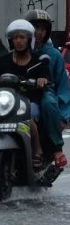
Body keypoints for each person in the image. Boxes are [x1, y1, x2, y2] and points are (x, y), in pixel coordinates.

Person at [0, 20, 50, 170]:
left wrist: (42, 80)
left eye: (22, 37)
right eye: (15, 38)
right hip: (7, 101)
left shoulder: (38, 61)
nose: (19, 41)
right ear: (11, 41)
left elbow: (46, 77)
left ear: (29, 39)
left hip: (29, 101)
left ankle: (37, 149)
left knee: (30, 120)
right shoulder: (4, 61)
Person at [25, 9, 70, 169]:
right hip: (21, 94)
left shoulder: (53, 56)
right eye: (35, 28)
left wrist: (63, 117)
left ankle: (56, 149)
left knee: (48, 103)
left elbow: (63, 86)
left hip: (43, 93)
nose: (38, 32)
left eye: (43, 29)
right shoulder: (17, 53)